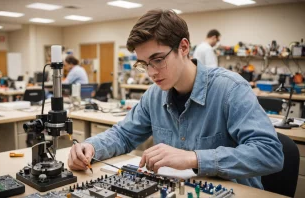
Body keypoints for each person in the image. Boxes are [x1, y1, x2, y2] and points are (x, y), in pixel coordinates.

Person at [68, 9, 283, 189]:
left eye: (158, 60)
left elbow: (270, 152)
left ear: (184, 47)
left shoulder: (230, 90)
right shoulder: (154, 95)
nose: (151, 73)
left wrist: (194, 158)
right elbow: (123, 135)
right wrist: (91, 147)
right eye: (144, 64)